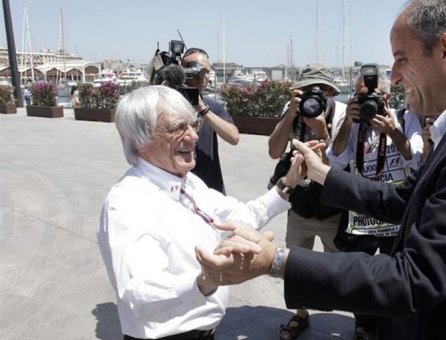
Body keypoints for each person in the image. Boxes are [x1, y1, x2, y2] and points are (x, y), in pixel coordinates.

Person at [197, 1, 446, 339]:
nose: (394, 77)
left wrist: (275, 262)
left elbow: (416, 278)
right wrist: (324, 174)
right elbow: (404, 199)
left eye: (401, 59)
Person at [97, 85, 303, 340]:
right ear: (141, 140)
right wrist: (205, 281)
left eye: (193, 124)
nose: (193, 136)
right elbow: (138, 293)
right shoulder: (129, 202)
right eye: (176, 128)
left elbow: (239, 217)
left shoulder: (187, 181)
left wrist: (287, 183)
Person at [327, 73, 423, 339]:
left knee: (400, 275)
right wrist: (347, 122)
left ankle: (395, 325)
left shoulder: (405, 118)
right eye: (360, 96)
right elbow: (335, 159)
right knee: (360, 276)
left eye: (372, 96)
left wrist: (392, 131)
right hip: (363, 215)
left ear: (387, 96)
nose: (366, 102)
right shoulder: (353, 122)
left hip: (396, 214)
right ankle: (365, 325)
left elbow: (415, 158)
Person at [266, 63, 347, 340]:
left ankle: (362, 320)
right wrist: (290, 114)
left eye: (321, 91)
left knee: (345, 266)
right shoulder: (293, 112)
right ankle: (300, 314)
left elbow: (335, 169)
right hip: (300, 205)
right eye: (307, 91)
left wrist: (322, 131)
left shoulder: (342, 116)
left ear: (330, 93)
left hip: (333, 207)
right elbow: (274, 150)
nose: (314, 96)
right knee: (295, 265)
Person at [182, 47, 239, 194]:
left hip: (211, 189)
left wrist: (204, 110)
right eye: (196, 69)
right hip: (177, 189)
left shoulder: (213, 107)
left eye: (206, 71)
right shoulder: (167, 105)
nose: (203, 76)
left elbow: (234, 137)